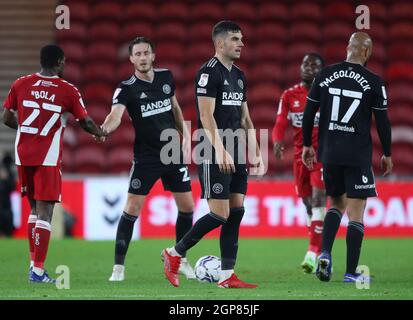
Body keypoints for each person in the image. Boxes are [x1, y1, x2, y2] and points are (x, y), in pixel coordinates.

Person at [162, 20, 264, 288]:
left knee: (237, 211)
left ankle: (227, 276)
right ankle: (173, 253)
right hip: (213, 149)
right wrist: (220, 151)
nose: (241, 43)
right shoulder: (208, 73)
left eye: (241, 39)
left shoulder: (239, 76)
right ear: (220, 43)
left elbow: (246, 118)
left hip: (236, 149)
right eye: (235, 39)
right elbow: (206, 116)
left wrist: (255, 151)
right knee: (219, 214)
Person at [2, 44, 106, 283]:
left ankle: (33, 266)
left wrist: (28, 129)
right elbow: (85, 120)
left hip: (22, 155)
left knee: (34, 211)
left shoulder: (21, 83)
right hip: (46, 157)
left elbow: (6, 117)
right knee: (46, 213)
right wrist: (100, 133)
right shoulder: (67, 89)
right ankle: (38, 271)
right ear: (59, 62)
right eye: (64, 61)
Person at [98, 37, 196, 282]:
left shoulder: (166, 78)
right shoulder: (126, 88)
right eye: (137, 54)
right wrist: (104, 130)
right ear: (131, 59)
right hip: (147, 156)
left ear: (153, 56)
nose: (142, 58)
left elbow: (174, 108)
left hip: (172, 151)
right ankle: (118, 268)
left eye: (146, 53)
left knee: (187, 207)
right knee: (132, 208)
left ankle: (179, 258)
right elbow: (115, 116)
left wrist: (184, 133)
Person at [302, 32, 393, 283]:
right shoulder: (375, 82)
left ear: (348, 48)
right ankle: (351, 273)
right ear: (367, 52)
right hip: (357, 154)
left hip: (329, 152)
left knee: (335, 204)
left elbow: (309, 113)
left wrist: (308, 144)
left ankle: (326, 254)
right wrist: (387, 152)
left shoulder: (325, 74)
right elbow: (382, 123)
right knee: (356, 213)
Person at [272, 53, 327, 274]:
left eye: (314, 65)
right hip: (299, 156)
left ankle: (312, 251)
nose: (308, 68)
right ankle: (319, 248)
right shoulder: (289, 95)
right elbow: (280, 121)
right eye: (305, 64)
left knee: (318, 199)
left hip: (322, 155)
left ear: (321, 71)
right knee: (307, 205)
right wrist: (277, 141)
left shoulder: (327, 94)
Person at [0, 152, 16, 237]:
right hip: (5, 201)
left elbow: (12, 188)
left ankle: (6, 233)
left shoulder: (8, 172)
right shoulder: (9, 172)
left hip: (6, 201)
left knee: (6, 215)